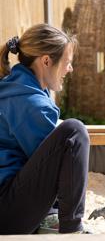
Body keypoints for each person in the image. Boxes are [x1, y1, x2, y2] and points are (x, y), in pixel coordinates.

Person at [0, 24, 90, 234]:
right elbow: (62, 169)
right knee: (74, 132)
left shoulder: (14, 88)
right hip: (6, 212)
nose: (70, 69)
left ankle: (50, 220)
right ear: (47, 61)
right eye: (67, 63)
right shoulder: (30, 103)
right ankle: (72, 230)